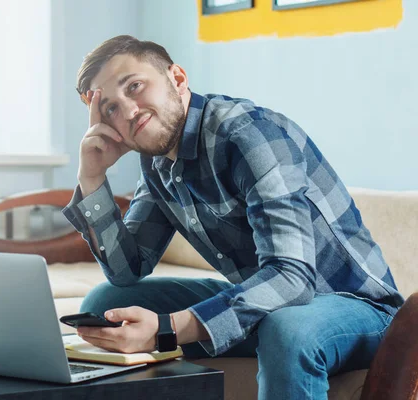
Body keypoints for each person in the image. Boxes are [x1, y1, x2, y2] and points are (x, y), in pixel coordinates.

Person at [61, 35, 403, 400]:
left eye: (135, 86)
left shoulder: (248, 135)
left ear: (177, 78)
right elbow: (126, 270)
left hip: (359, 311)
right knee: (105, 305)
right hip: (267, 306)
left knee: (287, 327)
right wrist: (93, 177)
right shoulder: (158, 161)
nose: (128, 112)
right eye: (110, 108)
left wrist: (168, 328)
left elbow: (292, 278)